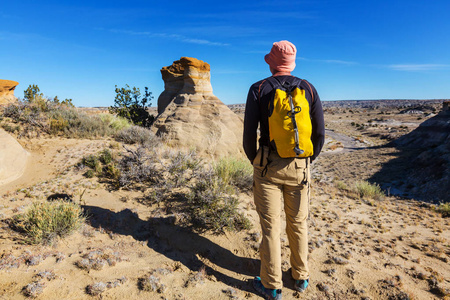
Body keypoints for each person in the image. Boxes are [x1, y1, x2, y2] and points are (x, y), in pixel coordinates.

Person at [243, 40, 325, 300]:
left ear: (271, 62)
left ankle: (271, 285)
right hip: (300, 167)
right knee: (298, 224)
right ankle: (300, 278)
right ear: (292, 63)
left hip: (268, 165)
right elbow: (320, 134)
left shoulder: (258, 89)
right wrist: (305, 162)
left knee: (270, 227)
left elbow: (248, 136)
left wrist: (257, 161)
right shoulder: (309, 89)